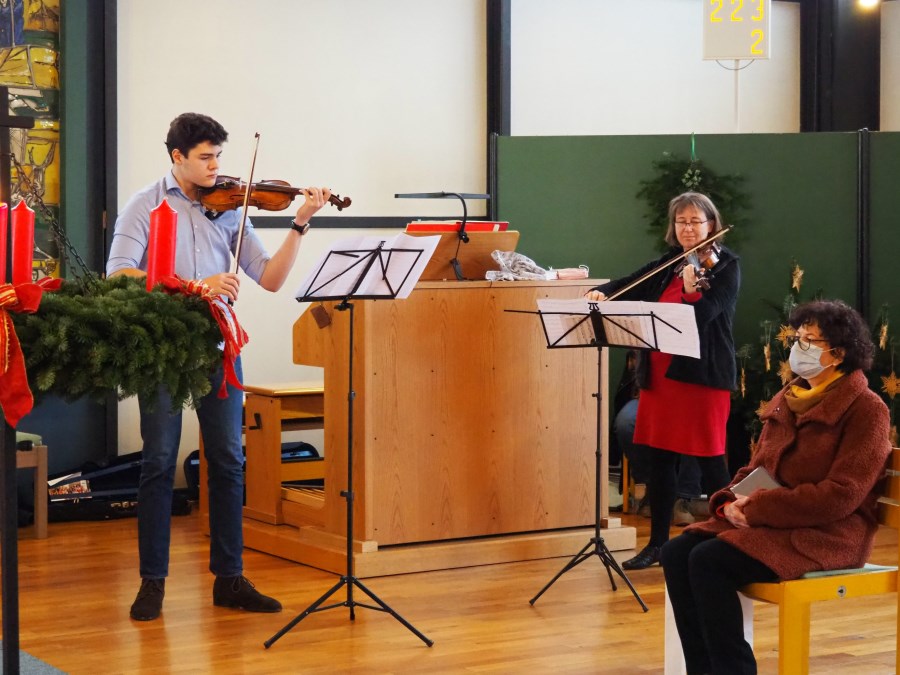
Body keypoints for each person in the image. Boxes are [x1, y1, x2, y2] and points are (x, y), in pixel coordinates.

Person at [107, 112, 332, 621]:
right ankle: (152, 583)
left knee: (229, 459)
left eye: (218, 157)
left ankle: (230, 579)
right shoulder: (145, 205)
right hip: (164, 346)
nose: (215, 168)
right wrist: (195, 286)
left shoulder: (230, 208)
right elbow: (118, 275)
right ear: (177, 157)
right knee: (159, 461)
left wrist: (300, 223)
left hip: (218, 345)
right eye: (205, 157)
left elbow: (270, 278)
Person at [661, 299, 891, 674]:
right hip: (776, 522)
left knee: (709, 561)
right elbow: (756, 467)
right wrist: (728, 502)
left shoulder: (867, 409)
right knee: (675, 552)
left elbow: (841, 496)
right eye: (797, 338)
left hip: (829, 534)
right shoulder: (789, 397)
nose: (799, 347)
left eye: (810, 340)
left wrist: (756, 509)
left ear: (839, 353)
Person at [586, 191, 740, 570]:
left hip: (702, 376)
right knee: (660, 461)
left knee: (711, 461)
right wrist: (603, 291)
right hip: (661, 375)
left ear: (711, 225)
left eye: (695, 221)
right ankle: (657, 545)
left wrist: (690, 291)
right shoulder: (669, 262)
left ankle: (731, 542)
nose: (688, 228)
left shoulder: (725, 265)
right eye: (681, 221)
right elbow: (634, 282)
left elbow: (705, 315)